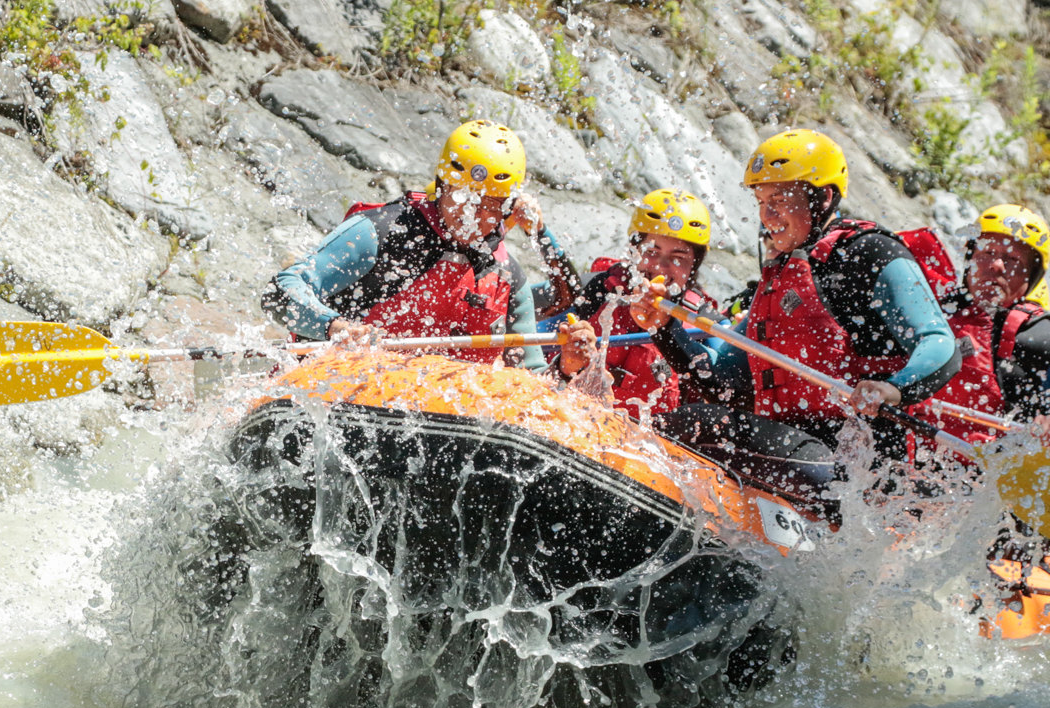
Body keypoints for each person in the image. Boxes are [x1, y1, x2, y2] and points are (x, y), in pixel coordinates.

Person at [633, 129, 961, 512]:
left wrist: (895, 388)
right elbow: (723, 385)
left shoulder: (869, 253)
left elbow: (940, 343)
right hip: (793, 448)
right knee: (688, 419)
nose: (766, 216)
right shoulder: (782, 274)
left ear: (822, 198)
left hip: (854, 464)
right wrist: (663, 328)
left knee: (690, 423)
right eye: (760, 201)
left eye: (779, 199)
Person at [262, 120, 568, 370]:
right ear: (442, 186)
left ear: (507, 209)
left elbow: (531, 378)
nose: (471, 216)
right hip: (341, 388)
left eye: (488, 205)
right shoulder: (381, 232)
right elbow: (280, 290)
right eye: (462, 197)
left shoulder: (507, 275)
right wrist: (333, 327)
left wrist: (566, 368)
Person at [925, 204, 1050, 452]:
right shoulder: (931, 317)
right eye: (986, 253)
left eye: (1012, 259)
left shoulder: (1047, 345)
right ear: (970, 260)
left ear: (1032, 276)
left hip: (998, 472)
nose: (996, 266)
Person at [550, 189, 724, 419]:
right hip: (580, 421)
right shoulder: (600, 289)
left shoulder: (706, 324)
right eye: (651, 252)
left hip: (652, 445)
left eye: (678, 258)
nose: (661, 268)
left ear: (694, 265)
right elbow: (542, 362)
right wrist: (566, 365)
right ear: (634, 252)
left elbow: (722, 391)